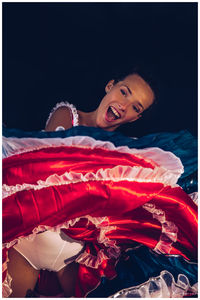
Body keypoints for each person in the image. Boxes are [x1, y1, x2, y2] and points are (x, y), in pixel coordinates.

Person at [3, 70, 197, 298]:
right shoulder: (69, 115)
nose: (124, 106)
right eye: (124, 92)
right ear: (110, 86)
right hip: (29, 245)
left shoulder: (127, 155)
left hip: (72, 258)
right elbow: (44, 171)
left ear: (135, 118)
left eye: (136, 107)